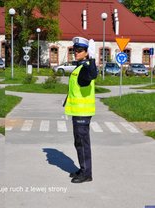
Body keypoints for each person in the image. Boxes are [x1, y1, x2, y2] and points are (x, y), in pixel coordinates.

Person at [64, 36, 98, 183]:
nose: (76, 53)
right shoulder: (79, 67)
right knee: (79, 143)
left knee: (82, 143)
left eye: (79, 50)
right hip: (78, 113)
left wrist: (93, 59)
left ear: (86, 52)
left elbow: (92, 74)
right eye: (74, 50)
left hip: (82, 113)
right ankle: (83, 168)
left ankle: (86, 174)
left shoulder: (85, 68)